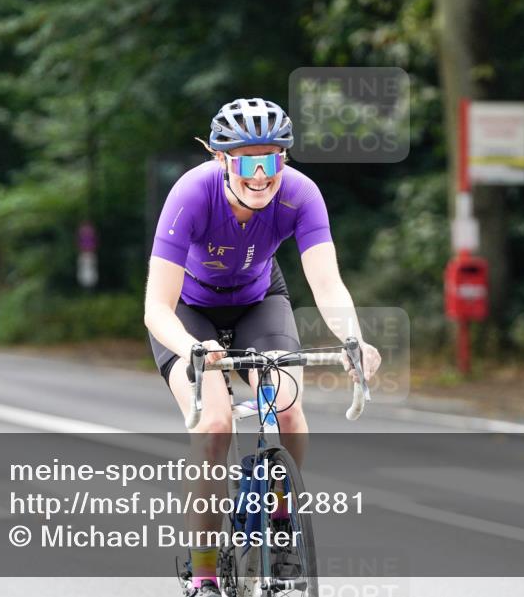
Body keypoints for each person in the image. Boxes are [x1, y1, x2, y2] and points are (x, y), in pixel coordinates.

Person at [144, 97, 382, 597]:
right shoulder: (191, 193)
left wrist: (353, 338)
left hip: (259, 302)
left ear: (285, 161)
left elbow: (327, 284)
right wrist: (194, 350)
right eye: (246, 161)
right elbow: (156, 309)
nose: (259, 175)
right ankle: (204, 570)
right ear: (220, 159)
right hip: (189, 313)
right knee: (214, 424)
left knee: (290, 410)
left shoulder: (300, 195)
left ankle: (280, 523)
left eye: (270, 160)